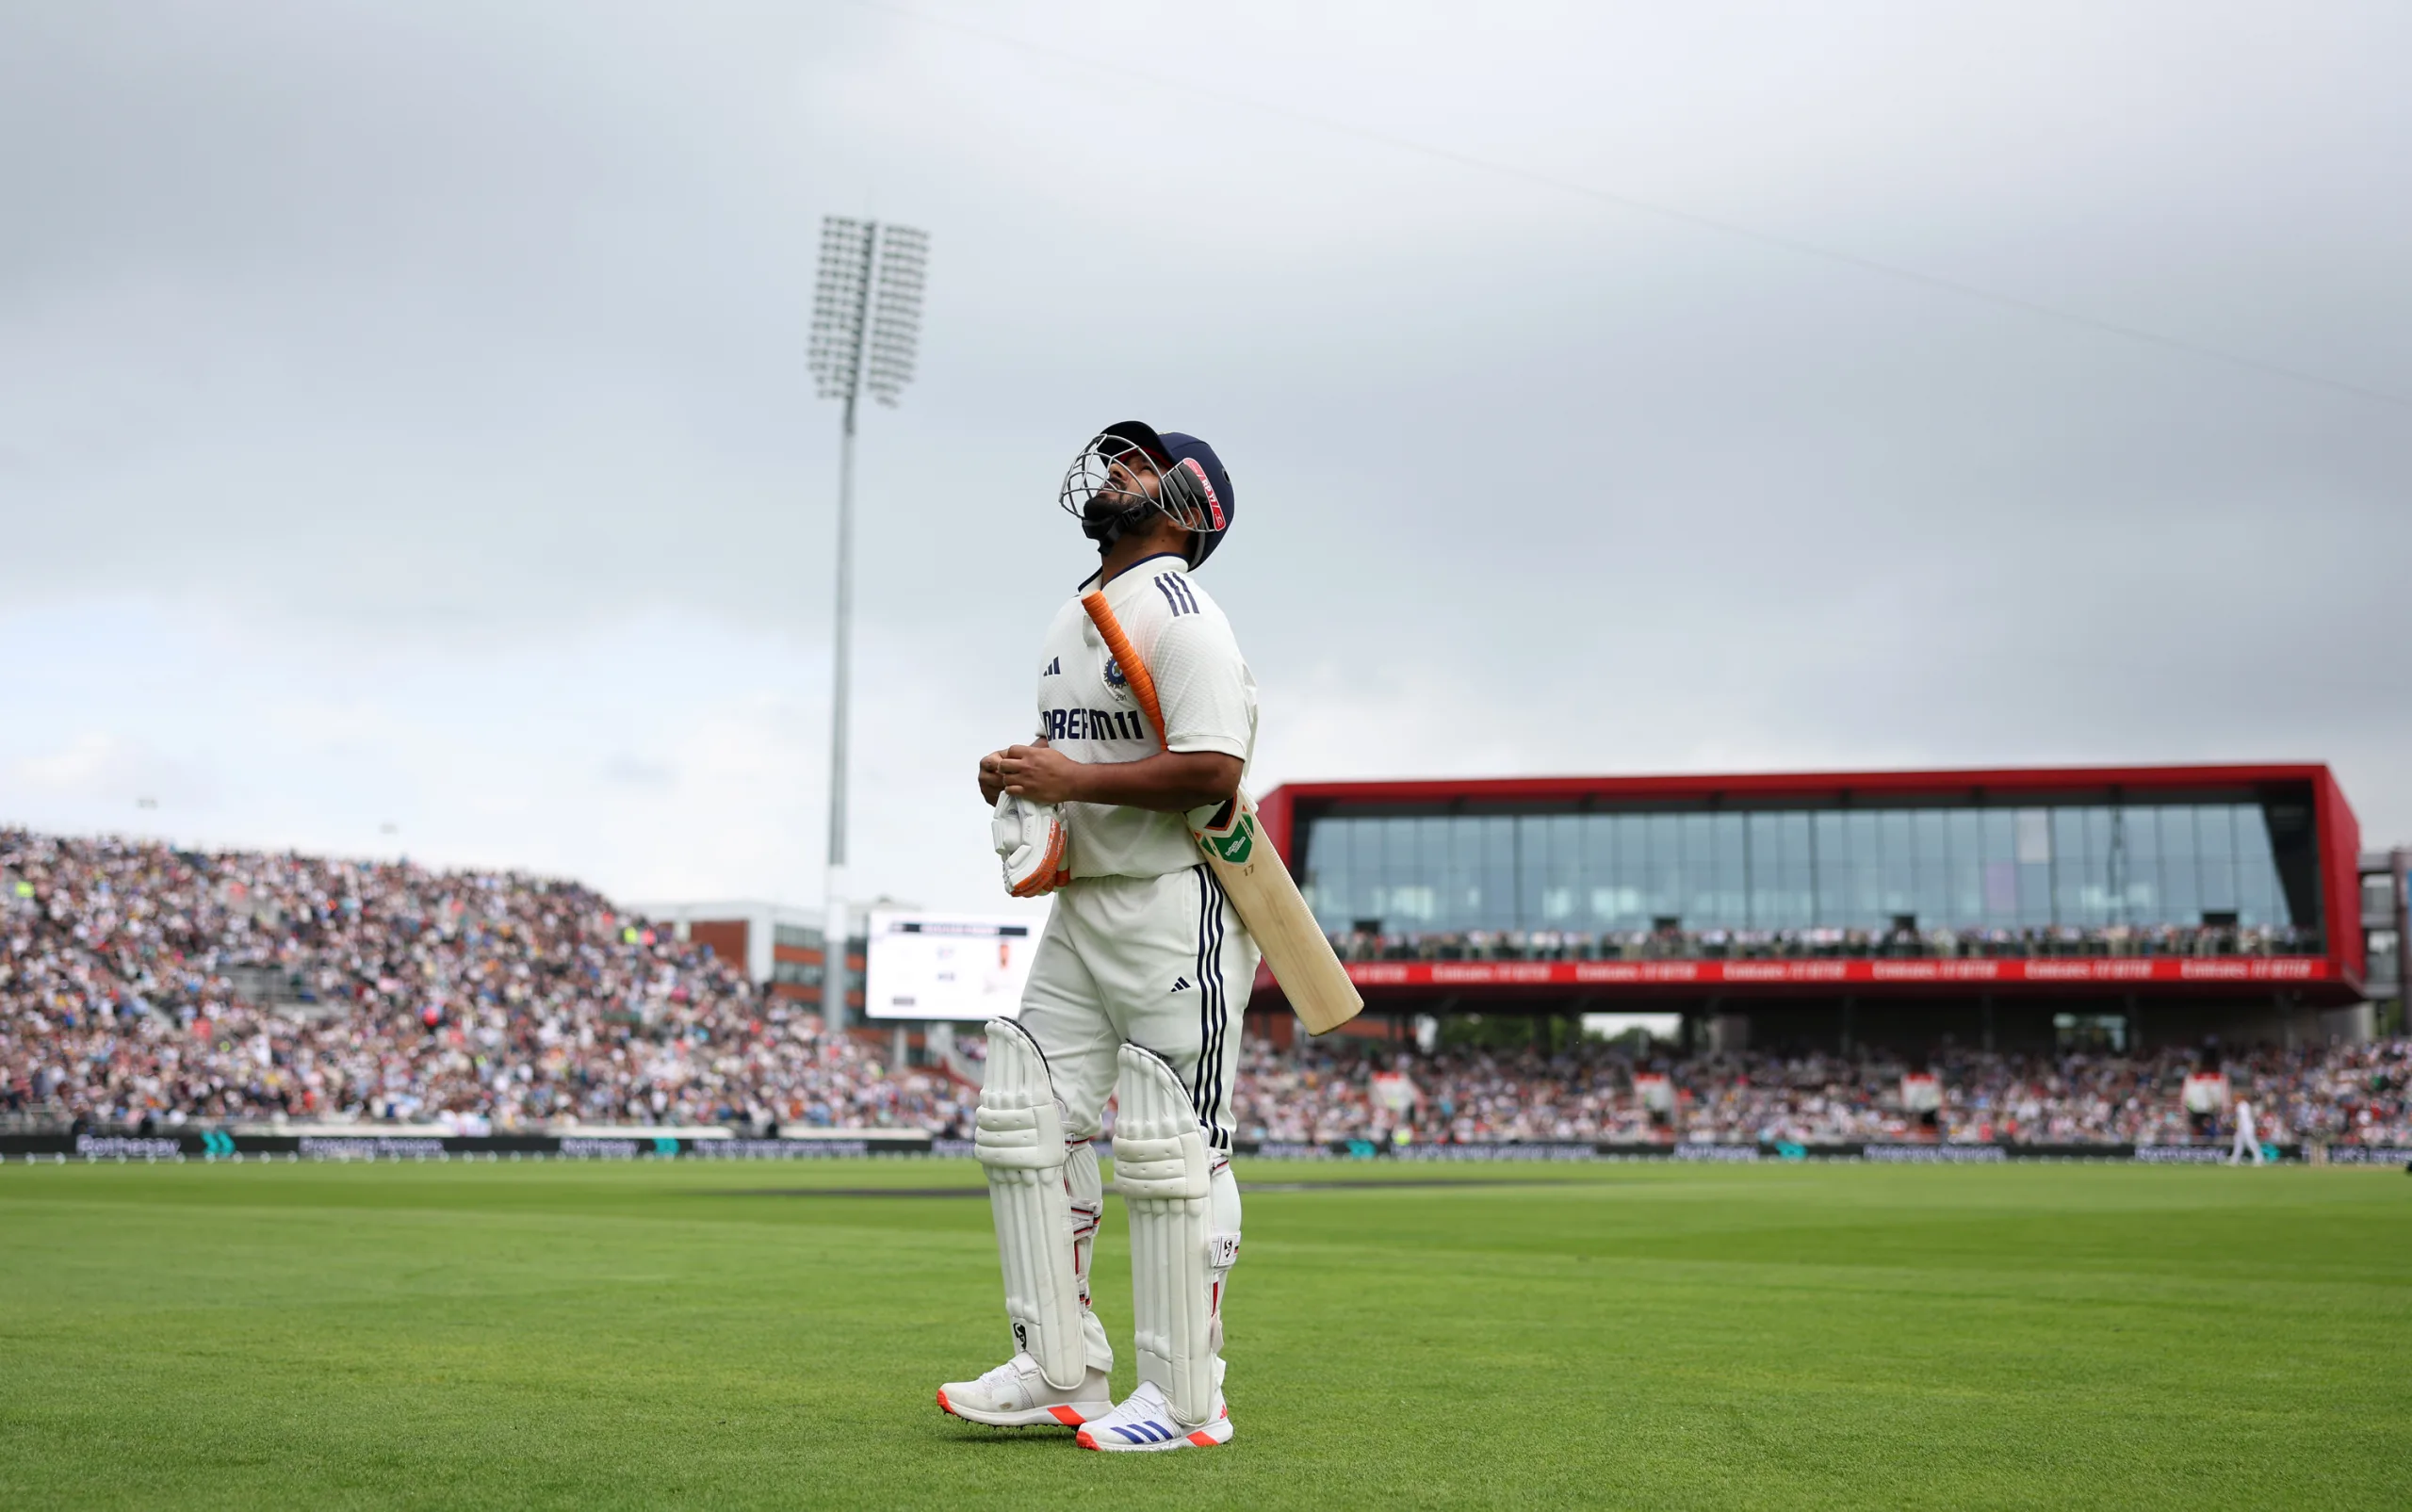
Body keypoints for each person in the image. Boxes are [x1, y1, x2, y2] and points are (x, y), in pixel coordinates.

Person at [937, 421, 1258, 1453]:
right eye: (1117, 457)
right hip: (1085, 903)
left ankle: (1187, 1402)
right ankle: (1059, 1365)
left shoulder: (1185, 617)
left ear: (1184, 502)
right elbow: (1088, 755)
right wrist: (1024, 771)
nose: (1116, 471)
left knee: (1171, 1146)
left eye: (1139, 464)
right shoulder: (1082, 615)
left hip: (1173, 903)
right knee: (1025, 1117)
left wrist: (1070, 780)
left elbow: (1213, 770)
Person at [2228, 1095, 2266, 1166]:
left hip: (2246, 1127)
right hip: (2244, 1127)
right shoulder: (2243, 1105)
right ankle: (2234, 1160)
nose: (2235, 1100)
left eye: (2236, 1098)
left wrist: (2239, 1128)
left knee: (2251, 1142)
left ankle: (2259, 1158)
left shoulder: (2242, 1105)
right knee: (2238, 1143)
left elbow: (2243, 1118)